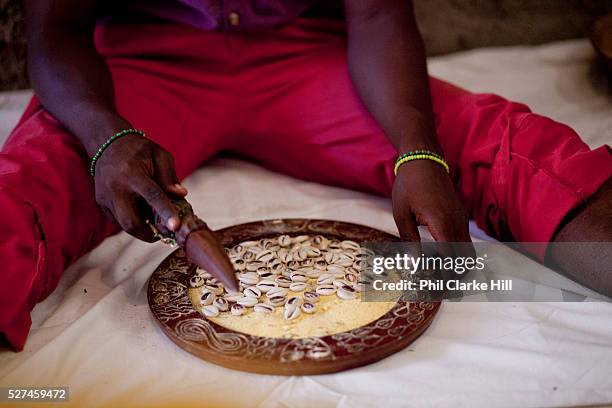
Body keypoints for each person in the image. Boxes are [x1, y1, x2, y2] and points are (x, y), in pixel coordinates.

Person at [1, 0, 610, 350]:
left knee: (492, 143)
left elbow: (376, 15)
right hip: (136, 64)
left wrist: (419, 150)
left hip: (308, 56)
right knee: (32, 184)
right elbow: (55, 29)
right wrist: (105, 136)